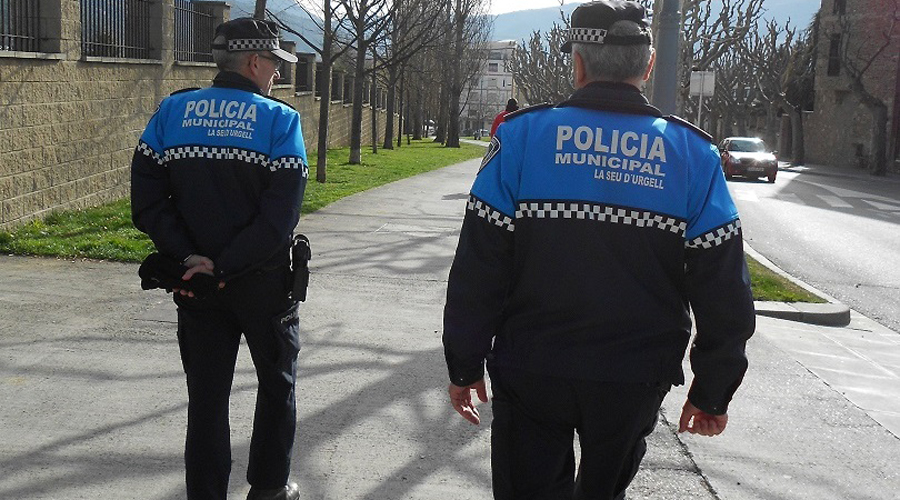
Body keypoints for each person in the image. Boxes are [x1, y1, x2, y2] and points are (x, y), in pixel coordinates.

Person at [442, 1, 756, 499]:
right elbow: (723, 284)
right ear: (648, 66)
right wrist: (713, 389)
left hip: (532, 363)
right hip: (635, 374)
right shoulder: (693, 154)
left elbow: (479, 265)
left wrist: (464, 361)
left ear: (578, 63)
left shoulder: (521, 137)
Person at [131, 17, 307, 500]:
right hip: (263, 284)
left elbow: (147, 200)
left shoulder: (172, 111)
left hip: (195, 284)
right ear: (253, 61)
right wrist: (228, 265)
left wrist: (191, 258)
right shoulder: (280, 120)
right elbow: (280, 216)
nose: (277, 73)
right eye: (274, 63)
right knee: (277, 385)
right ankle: (269, 489)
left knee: (206, 398)